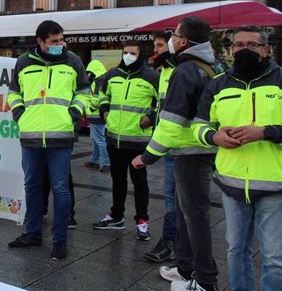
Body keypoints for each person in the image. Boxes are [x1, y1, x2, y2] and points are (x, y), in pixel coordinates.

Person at [132, 17, 220, 291]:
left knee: (195, 216)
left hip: (190, 152)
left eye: (175, 34)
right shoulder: (210, 67)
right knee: (185, 213)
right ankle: (184, 269)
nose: (171, 38)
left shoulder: (186, 70)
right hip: (198, 149)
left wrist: (147, 156)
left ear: (184, 41)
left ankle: (205, 280)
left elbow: (171, 122)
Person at [192, 25, 281, 291]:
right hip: (231, 185)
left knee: (275, 258)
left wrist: (265, 132)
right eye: (239, 45)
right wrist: (213, 137)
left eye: (251, 45)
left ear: (265, 49)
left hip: (274, 185)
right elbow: (198, 125)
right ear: (231, 49)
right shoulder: (218, 84)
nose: (244, 50)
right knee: (235, 250)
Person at [7, 20, 90, 261]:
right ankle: (32, 233)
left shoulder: (73, 60)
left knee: (61, 189)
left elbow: (84, 92)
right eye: (54, 41)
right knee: (31, 186)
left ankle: (59, 241)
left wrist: (73, 114)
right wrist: (20, 114)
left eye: (62, 40)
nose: (60, 45)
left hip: (61, 136)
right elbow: (14, 92)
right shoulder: (23, 62)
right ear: (40, 42)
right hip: (30, 136)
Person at [93, 40, 158, 242]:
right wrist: (104, 112)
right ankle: (116, 216)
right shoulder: (113, 75)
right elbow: (102, 95)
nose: (128, 56)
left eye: (132, 53)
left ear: (141, 55)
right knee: (117, 180)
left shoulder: (152, 77)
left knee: (140, 183)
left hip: (138, 141)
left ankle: (142, 221)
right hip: (114, 139)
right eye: (125, 52)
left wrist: (151, 118)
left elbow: (163, 103)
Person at [142, 31, 178, 263]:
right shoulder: (164, 71)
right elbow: (164, 105)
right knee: (173, 197)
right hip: (170, 145)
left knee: (176, 198)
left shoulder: (179, 70)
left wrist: (149, 154)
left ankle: (171, 243)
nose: (155, 51)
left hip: (180, 145)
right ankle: (176, 244)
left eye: (159, 46)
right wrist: (151, 115)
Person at [84, 59, 110, 172]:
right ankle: (94, 160)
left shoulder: (99, 81)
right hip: (97, 116)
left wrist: (89, 108)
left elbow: (96, 99)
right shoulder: (100, 79)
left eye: (90, 72)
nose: (89, 74)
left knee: (99, 140)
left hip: (96, 116)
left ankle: (107, 163)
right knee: (95, 139)